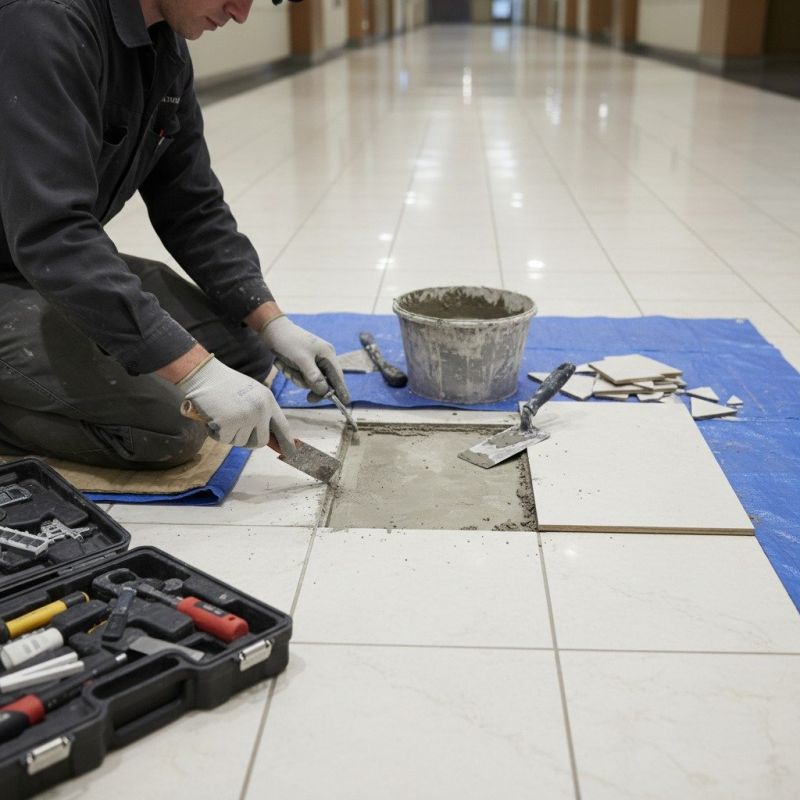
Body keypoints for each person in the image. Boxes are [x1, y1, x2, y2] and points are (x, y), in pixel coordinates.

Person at [0, 0, 348, 470]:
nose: (241, 13)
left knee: (244, 356)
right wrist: (193, 372)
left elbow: (191, 204)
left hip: (38, 259)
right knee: (167, 430)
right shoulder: (42, 23)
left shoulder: (164, 47)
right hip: (39, 252)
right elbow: (55, 231)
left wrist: (271, 321)